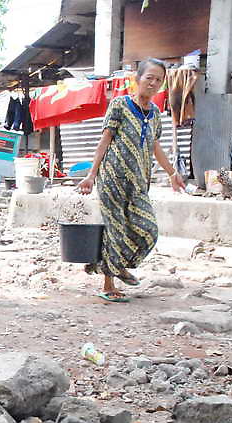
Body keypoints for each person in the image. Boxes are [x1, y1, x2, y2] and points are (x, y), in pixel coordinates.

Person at [77, 58, 185, 303]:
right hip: (112, 178)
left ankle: (116, 266)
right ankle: (108, 284)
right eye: (149, 78)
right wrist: (91, 175)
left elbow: (155, 145)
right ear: (137, 79)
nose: (154, 83)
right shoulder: (120, 105)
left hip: (138, 183)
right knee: (115, 230)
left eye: (159, 80)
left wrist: (171, 173)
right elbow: (104, 140)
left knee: (148, 230)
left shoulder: (155, 113)